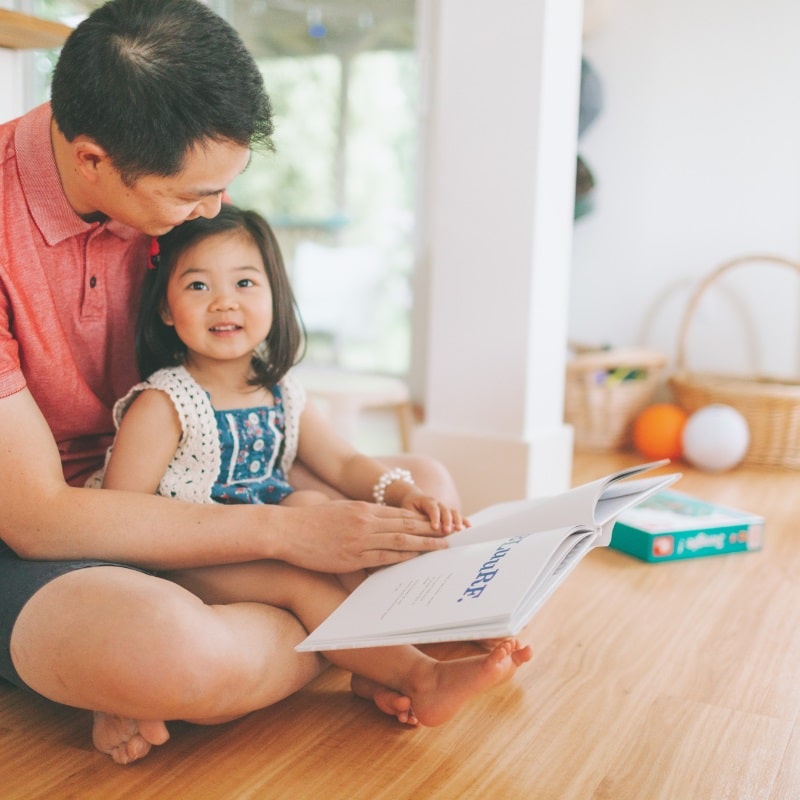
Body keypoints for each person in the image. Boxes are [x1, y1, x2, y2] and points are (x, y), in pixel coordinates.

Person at [0, 0, 502, 766]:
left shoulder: (167, 173)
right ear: (94, 158)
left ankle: (341, 640)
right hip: (48, 529)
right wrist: (286, 536)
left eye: (224, 188)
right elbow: (38, 520)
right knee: (176, 652)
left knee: (420, 482)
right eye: (190, 196)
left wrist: (326, 516)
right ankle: (360, 642)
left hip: (188, 492)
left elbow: (257, 403)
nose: (214, 211)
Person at [95, 203, 531, 731]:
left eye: (245, 282)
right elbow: (120, 519)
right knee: (300, 580)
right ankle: (419, 677)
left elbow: (344, 462)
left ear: (275, 295)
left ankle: (386, 661)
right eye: (197, 286)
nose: (224, 301)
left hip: (273, 533)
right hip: (193, 553)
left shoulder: (281, 390)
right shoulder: (164, 402)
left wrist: (402, 494)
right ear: (165, 309)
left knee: (316, 504)